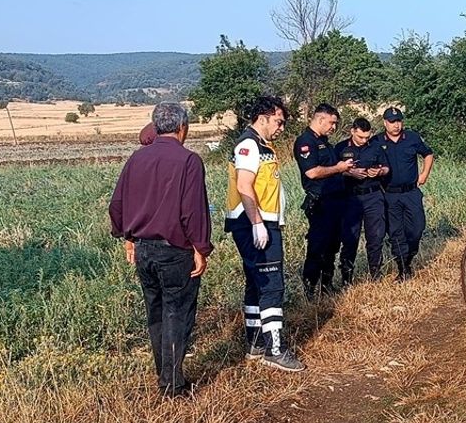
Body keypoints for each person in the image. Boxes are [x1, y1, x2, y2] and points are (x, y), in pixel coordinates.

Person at [108, 102, 211, 397]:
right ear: (182, 127)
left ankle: (164, 375)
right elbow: (193, 211)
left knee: (156, 312)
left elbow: (116, 206)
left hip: (143, 250)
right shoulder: (189, 161)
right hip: (175, 250)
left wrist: (127, 235)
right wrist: (200, 247)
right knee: (177, 314)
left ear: (156, 127)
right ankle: (172, 384)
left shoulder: (136, 159)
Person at [225, 96, 305, 372]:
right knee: (272, 284)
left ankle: (256, 344)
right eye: (279, 121)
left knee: (256, 282)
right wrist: (257, 222)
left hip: (260, 222)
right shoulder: (249, 144)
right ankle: (275, 349)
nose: (281, 127)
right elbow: (245, 186)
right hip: (254, 224)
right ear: (263, 117)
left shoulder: (261, 144)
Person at [294, 104, 355, 296]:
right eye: (332, 123)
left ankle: (327, 285)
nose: (334, 127)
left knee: (332, 246)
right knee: (318, 246)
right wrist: (339, 168)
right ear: (320, 119)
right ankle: (310, 287)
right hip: (320, 203)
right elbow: (312, 172)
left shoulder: (325, 142)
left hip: (336, 201)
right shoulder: (306, 142)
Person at [376, 107, 433, 281]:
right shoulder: (377, 141)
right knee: (396, 232)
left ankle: (408, 256)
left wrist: (424, 174)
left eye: (398, 121)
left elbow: (428, 154)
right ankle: (403, 269)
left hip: (411, 192)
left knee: (417, 229)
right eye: (392, 122)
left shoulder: (412, 138)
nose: (396, 125)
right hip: (390, 194)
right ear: (385, 122)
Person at [335, 118, 390, 283]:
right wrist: (350, 173)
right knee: (350, 238)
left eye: (367, 137)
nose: (364, 140)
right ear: (352, 131)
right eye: (360, 137)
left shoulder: (375, 147)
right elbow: (333, 171)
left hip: (373, 196)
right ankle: (347, 278)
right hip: (351, 197)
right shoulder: (340, 148)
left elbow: (386, 167)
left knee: (376, 237)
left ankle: (375, 275)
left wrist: (379, 172)